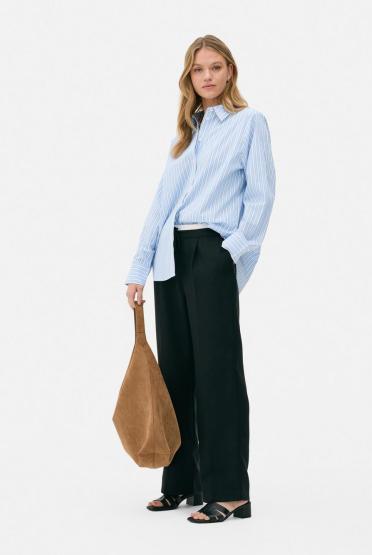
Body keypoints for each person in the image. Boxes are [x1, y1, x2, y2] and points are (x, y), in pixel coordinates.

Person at [125, 34, 276, 524]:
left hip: (211, 250)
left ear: (230, 71)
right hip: (169, 256)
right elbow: (160, 204)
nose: (207, 76)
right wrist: (138, 268)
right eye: (198, 69)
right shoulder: (185, 134)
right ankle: (181, 483)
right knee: (176, 374)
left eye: (215, 67)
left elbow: (261, 196)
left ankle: (230, 492)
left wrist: (230, 252)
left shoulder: (249, 122)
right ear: (188, 78)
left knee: (218, 374)